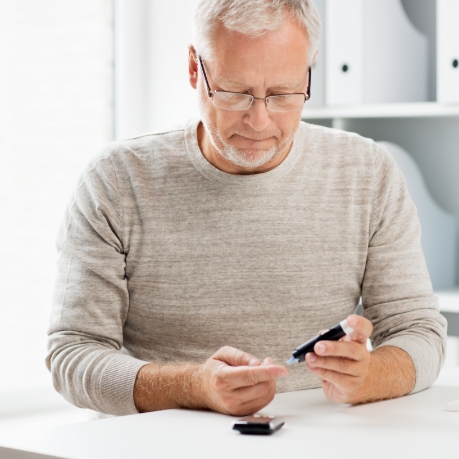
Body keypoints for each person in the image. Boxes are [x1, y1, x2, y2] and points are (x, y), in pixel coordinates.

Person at [46, 0, 446, 417]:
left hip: (320, 438)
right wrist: (193, 386)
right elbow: (73, 355)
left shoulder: (368, 171)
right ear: (193, 68)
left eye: (283, 94)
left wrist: (371, 376)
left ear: (311, 69)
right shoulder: (116, 180)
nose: (259, 121)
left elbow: (420, 333)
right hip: (166, 441)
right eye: (235, 92)